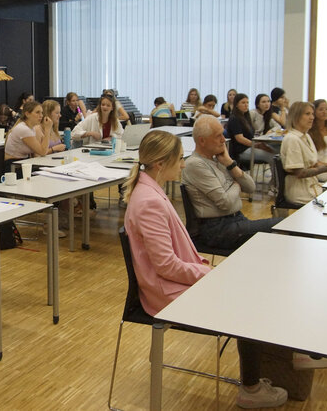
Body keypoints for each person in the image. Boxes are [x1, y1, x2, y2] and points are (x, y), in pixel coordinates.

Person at [122, 129, 287, 409]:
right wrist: (209, 274)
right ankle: (251, 388)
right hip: (165, 294)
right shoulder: (148, 200)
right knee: (251, 301)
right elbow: (166, 265)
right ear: (161, 164)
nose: (184, 164)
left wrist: (207, 271)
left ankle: (264, 372)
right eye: (179, 159)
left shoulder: (151, 191)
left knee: (251, 286)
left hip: (172, 283)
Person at [182, 116, 283, 250]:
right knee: (281, 226)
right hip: (217, 229)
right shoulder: (195, 164)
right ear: (202, 141)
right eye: (218, 136)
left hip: (235, 220)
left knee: (282, 227)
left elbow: (251, 187)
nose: (223, 140)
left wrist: (230, 163)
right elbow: (225, 203)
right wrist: (236, 184)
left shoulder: (220, 160)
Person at [281, 102, 327, 205]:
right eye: (307, 114)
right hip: (300, 192)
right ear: (296, 116)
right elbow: (300, 173)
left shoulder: (306, 136)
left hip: (312, 186)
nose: (312, 118)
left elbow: (314, 163)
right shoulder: (292, 139)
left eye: (312, 114)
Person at [226, 93, 276, 173]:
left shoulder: (246, 117)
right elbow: (240, 138)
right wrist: (255, 145)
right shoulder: (234, 118)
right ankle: (276, 182)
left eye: (247, 102)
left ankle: (275, 180)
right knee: (272, 156)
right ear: (236, 105)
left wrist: (258, 144)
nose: (246, 105)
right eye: (243, 103)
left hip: (250, 147)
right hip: (241, 151)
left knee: (275, 151)